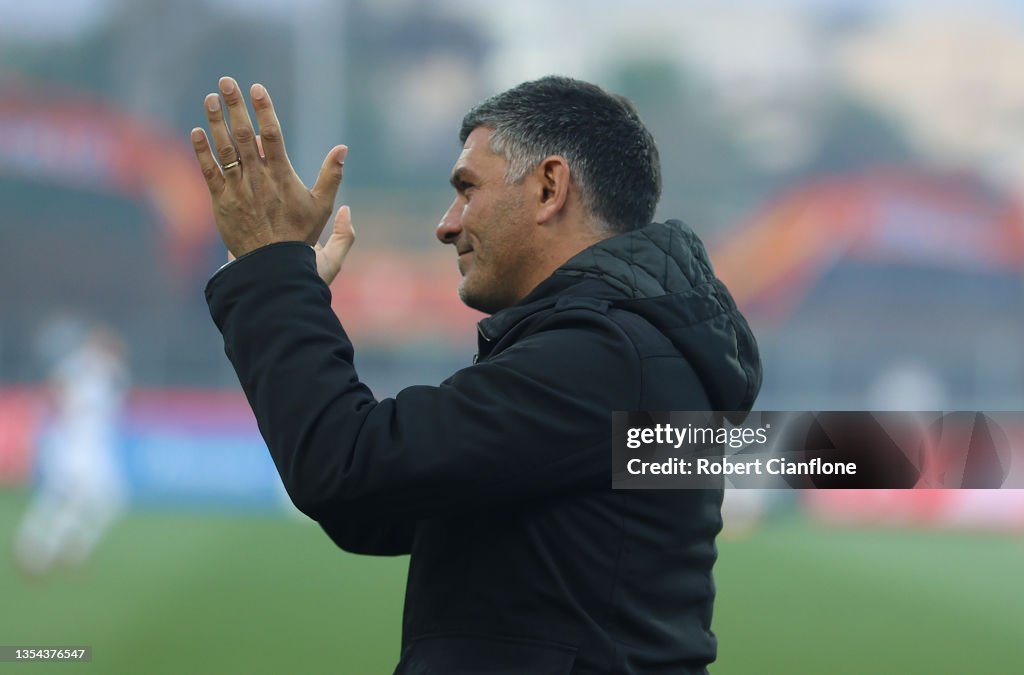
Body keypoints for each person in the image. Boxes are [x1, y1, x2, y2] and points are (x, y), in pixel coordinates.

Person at [193, 75, 761, 674]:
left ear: (549, 187)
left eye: (467, 189)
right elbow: (374, 508)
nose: (447, 223)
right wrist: (283, 290)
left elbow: (350, 465)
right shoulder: (626, 351)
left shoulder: (601, 357)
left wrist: (272, 276)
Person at [14, 320, 129, 577]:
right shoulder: (80, 366)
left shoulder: (108, 371)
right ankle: (40, 548)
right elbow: (56, 390)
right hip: (74, 447)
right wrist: (65, 408)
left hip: (93, 448)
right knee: (65, 499)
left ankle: (53, 548)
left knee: (99, 501)